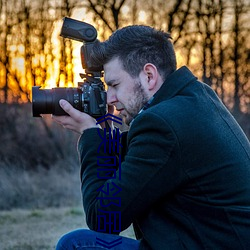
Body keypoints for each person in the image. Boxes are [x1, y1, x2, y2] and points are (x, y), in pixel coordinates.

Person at [52, 25, 250, 249]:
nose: (110, 98)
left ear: (149, 75)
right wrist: (103, 133)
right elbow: (141, 159)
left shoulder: (162, 124)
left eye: (115, 85)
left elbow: (103, 219)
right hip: (215, 240)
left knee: (76, 244)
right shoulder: (194, 98)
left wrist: (90, 135)